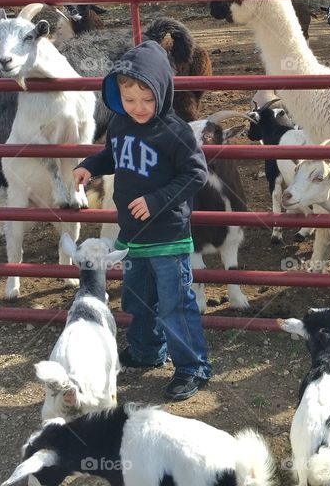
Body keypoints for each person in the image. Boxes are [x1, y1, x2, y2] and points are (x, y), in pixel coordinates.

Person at [73, 40, 211, 401]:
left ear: (163, 91)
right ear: (117, 94)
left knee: (174, 303)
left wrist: (157, 200)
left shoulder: (175, 131)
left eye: (147, 100)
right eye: (129, 99)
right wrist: (89, 165)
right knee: (137, 300)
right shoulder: (120, 124)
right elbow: (112, 155)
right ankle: (147, 351)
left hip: (168, 237)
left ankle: (191, 366)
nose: (138, 108)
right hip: (132, 237)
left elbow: (196, 173)